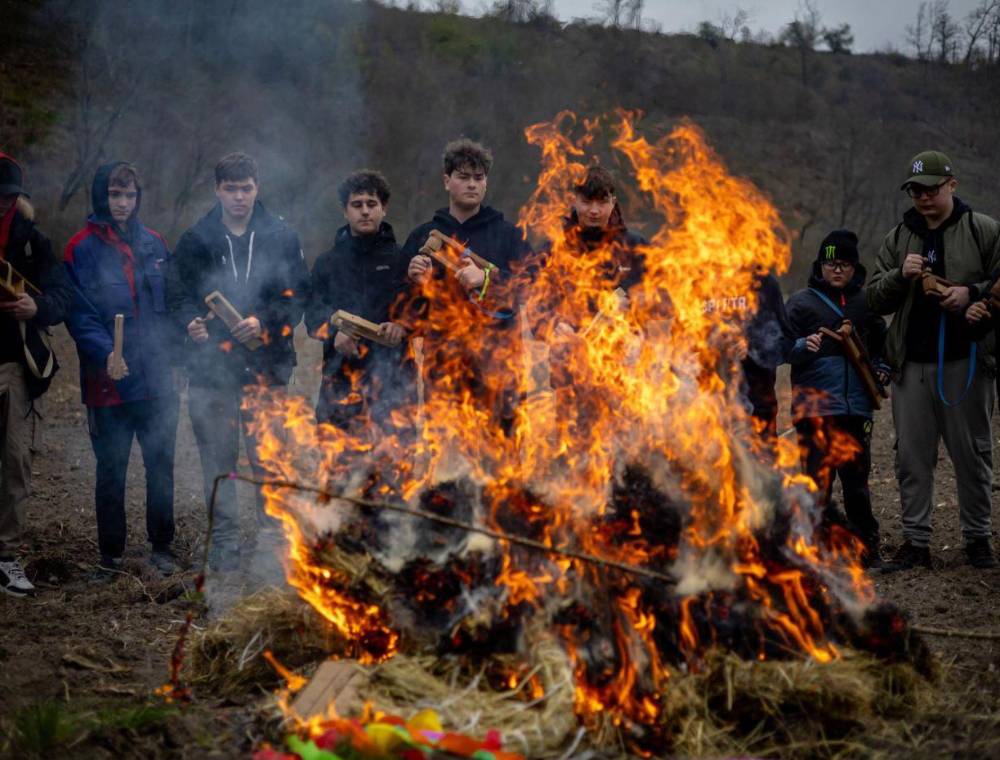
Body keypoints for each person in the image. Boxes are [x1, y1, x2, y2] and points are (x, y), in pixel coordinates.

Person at [166, 152, 309, 571]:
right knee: (218, 457)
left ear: (257, 188)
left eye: (246, 188)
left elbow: (297, 296)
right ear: (217, 190)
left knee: (268, 456)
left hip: (267, 368)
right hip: (212, 372)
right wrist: (190, 322)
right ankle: (224, 541)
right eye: (231, 189)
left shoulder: (281, 235)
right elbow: (177, 296)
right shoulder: (196, 239)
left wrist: (262, 322)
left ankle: (271, 541)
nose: (239, 197)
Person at [867, 150, 1000, 570]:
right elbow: (872, 296)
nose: (923, 198)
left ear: (952, 185)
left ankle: (978, 538)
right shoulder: (898, 237)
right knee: (910, 457)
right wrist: (899, 275)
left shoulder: (983, 231)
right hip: (911, 365)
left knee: (972, 454)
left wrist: (973, 293)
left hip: (968, 362)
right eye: (915, 190)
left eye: (931, 189)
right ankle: (915, 542)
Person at [64, 162, 179, 578]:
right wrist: (104, 354)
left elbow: (171, 309)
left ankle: (162, 547)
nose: (123, 204)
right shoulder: (80, 248)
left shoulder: (156, 244)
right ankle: (110, 556)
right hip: (108, 382)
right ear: (101, 196)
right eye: (115, 195)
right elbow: (78, 314)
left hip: (156, 379)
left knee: (161, 464)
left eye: (130, 195)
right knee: (111, 469)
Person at [402, 139, 532, 433]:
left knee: (501, 460)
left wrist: (487, 280)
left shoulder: (509, 235)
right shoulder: (421, 237)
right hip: (444, 365)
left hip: (500, 365)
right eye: (463, 177)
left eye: (478, 177)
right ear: (447, 181)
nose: (472, 184)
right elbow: (404, 310)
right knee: (448, 458)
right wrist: (414, 282)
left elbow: (531, 288)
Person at [786, 230, 888, 567]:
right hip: (815, 407)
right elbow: (781, 347)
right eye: (831, 264)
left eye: (844, 264)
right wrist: (801, 347)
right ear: (820, 266)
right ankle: (813, 551)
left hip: (856, 408)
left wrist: (882, 368)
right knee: (817, 482)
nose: (837, 270)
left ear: (855, 267)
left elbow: (881, 347)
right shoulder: (801, 303)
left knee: (857, 482)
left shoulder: (866, 302)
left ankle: (866, 549)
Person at [0, 153, 71, 596]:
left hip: (12, 360)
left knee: (14, 460)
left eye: (7, 196)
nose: (0, 204)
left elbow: (63, 296)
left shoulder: (33, 240)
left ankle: (5, 555)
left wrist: (37, 307)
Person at [306, 170, 408, 430]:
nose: (365, 211)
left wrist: (402, 324)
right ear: (345, 211)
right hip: (339, 382)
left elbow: (421, 311)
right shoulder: (326, 263)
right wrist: (333, 332)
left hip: (393, 384)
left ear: (384, 209)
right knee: (338, 466)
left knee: (393, 467)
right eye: (357, 205)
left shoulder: (403, 260)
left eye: (372, 204)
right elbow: (312, 317)